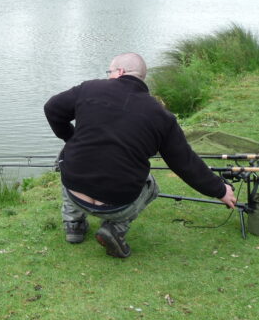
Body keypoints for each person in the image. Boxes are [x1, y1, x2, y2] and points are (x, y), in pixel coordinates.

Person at [44, 52, 236, 258]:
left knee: (68, 156)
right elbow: (184, 163)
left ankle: (73, 224)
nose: (108, 76)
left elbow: (52, 108)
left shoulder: (89, 88)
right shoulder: (161, 116)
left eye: (109, 72)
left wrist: (70, 139)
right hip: (118, 205)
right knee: (151, 185)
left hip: (75, 194)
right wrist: (220, 190)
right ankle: (114, 230)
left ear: (119, 71)